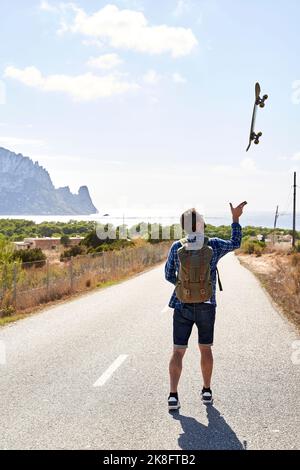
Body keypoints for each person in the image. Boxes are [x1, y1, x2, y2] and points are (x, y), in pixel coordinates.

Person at [165, 202, 247, 410]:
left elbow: (168, 274)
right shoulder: (214, 245)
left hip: (181, 304)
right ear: (200, 224)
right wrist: (235, 219)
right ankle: (207, 391)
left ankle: (173, 396)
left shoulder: (177, 246)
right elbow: (236, 242)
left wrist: (183, 287)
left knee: (178, 351)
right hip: (206, 304)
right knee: (205, 348)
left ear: (184, 226)